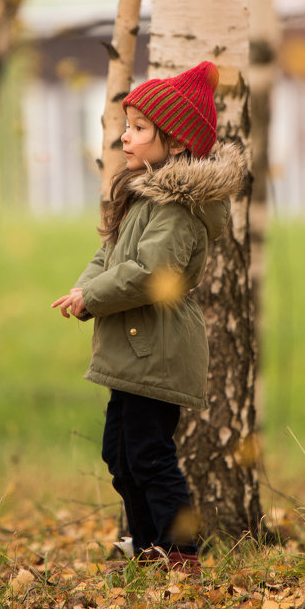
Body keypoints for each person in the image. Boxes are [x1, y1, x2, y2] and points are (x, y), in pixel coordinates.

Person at [50, 61, 249, 572]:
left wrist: (93, 299)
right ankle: (147, 548)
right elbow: (111, 253)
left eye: (139, 129)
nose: (125, 138)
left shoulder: (179, 208)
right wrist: (83, 287)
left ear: (177, 142)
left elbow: (147, 273)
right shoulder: (142, 194)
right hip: (134, 350)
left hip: (157, 349)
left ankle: (180, 552)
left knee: (149, 455)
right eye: (126, 126)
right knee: (120, 456)